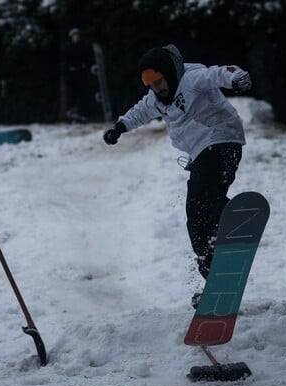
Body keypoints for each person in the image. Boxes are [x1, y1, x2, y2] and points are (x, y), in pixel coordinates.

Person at [102, 44, 252, 306]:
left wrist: (236, 77)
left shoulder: (191, 78)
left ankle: (229, 221)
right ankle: (213, 280)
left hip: (222, 140)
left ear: (170, 74)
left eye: (159, 82)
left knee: (202, 198)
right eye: (151, 85)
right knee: (195, 218)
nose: (157, 89)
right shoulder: (157, 99)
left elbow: (218, 73)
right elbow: (140, 111)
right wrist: (120, 127)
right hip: (200, 153)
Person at [63, 28, 94, 123]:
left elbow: (87, 60)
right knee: (72, 95)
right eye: (74, 35)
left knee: (83, 95)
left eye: (77, 35)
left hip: (82, 76)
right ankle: (71, 115)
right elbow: (65, 63)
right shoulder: (67, 48)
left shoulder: (83, 47)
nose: (76, 37)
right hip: (72, 77)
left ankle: (82, 115)